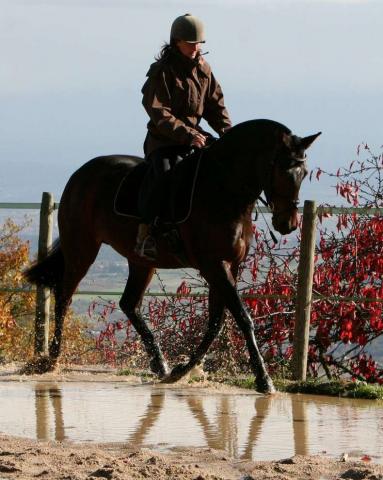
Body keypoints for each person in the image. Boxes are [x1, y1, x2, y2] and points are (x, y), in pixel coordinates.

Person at [135, 13, 232, 259]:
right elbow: (159, 113)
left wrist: (228, 133)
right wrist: (187, 134)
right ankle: (147, 234)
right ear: (176, 41)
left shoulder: (204, 70)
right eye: (190, 43)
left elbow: (215, 106)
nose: (195, 48)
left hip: (195, 138)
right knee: (166, 175)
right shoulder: (162, 72)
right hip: (164, 141)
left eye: (199, 43)